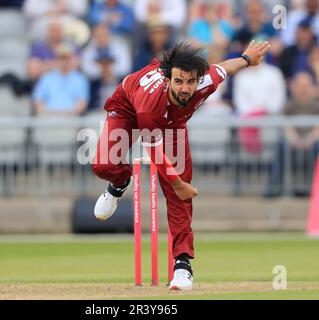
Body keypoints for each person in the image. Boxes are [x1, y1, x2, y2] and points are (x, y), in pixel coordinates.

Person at [91, 40, 270, 290]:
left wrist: (247, 58)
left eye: (190, 81)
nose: (185, 88)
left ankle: (182, 265)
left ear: (198, 79)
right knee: (102, 164)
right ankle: (119, 183)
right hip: (129, 109)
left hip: (173, 126)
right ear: (168, 79)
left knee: (179, 197)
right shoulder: (150, 106)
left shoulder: (205, 82)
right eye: (178, 81)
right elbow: (154, 153)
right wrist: (177, 182)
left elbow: (225, 68)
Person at [264, 72, 319, 197]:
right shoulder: (288, 106)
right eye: (300, 86)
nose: (303, 89)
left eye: (306, 86)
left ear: (312, 87)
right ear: (294, 87)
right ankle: (274, 187)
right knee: (282, 146)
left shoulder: (317, 105)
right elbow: (286, 126)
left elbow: (317, 129)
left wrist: (309, 140)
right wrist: (295, 140)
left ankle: (314, 189)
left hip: (313, 143)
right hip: (293, 144)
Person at [32, 43, 89, 116]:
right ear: (56, 59)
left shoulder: (80, 79)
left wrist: (67, 113)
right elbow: (38, 101)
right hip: (48, 117)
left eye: (66, 58)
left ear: (71, 59)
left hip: (70, 118)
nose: (64, 61)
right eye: (61, 58)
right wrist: (47, 112)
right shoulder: (46, 78)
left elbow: (82, 103)